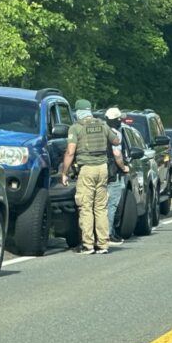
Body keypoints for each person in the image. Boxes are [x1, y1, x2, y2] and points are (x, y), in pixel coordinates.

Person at [61, 99, 128, 255]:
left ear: (78, 112)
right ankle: (103, 244)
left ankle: (88, 245)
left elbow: (70, 152)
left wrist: (64, 173)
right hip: (103, 169)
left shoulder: (76, 128)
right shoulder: (102, 124)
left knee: (86, 207)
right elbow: (116, 140)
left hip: (87, 169)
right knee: (100, 207)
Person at [104, 107, 128, 245]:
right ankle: (109, 233)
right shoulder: (115, 134)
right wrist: (124, 167)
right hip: (113, 173)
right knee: (112, 204)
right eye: (120, 119)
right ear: (117, 120)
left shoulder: (101, 131)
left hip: (98, 171)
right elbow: (117, 153)